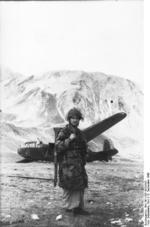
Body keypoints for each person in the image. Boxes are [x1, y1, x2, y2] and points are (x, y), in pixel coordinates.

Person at [55, 108, 89, 215]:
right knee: (68, 185)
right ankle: (68, 207)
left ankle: (78, 207)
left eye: (77, 118)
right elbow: (57, 146)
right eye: (73, 118)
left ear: (79, 120)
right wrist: (69, 140)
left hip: (78, 164)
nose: (75, 120)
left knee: (80, 185)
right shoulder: (64, 131)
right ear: (69, 119)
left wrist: (83, 159)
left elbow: (84, 148)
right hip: (67, 164)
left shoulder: (80, 133)